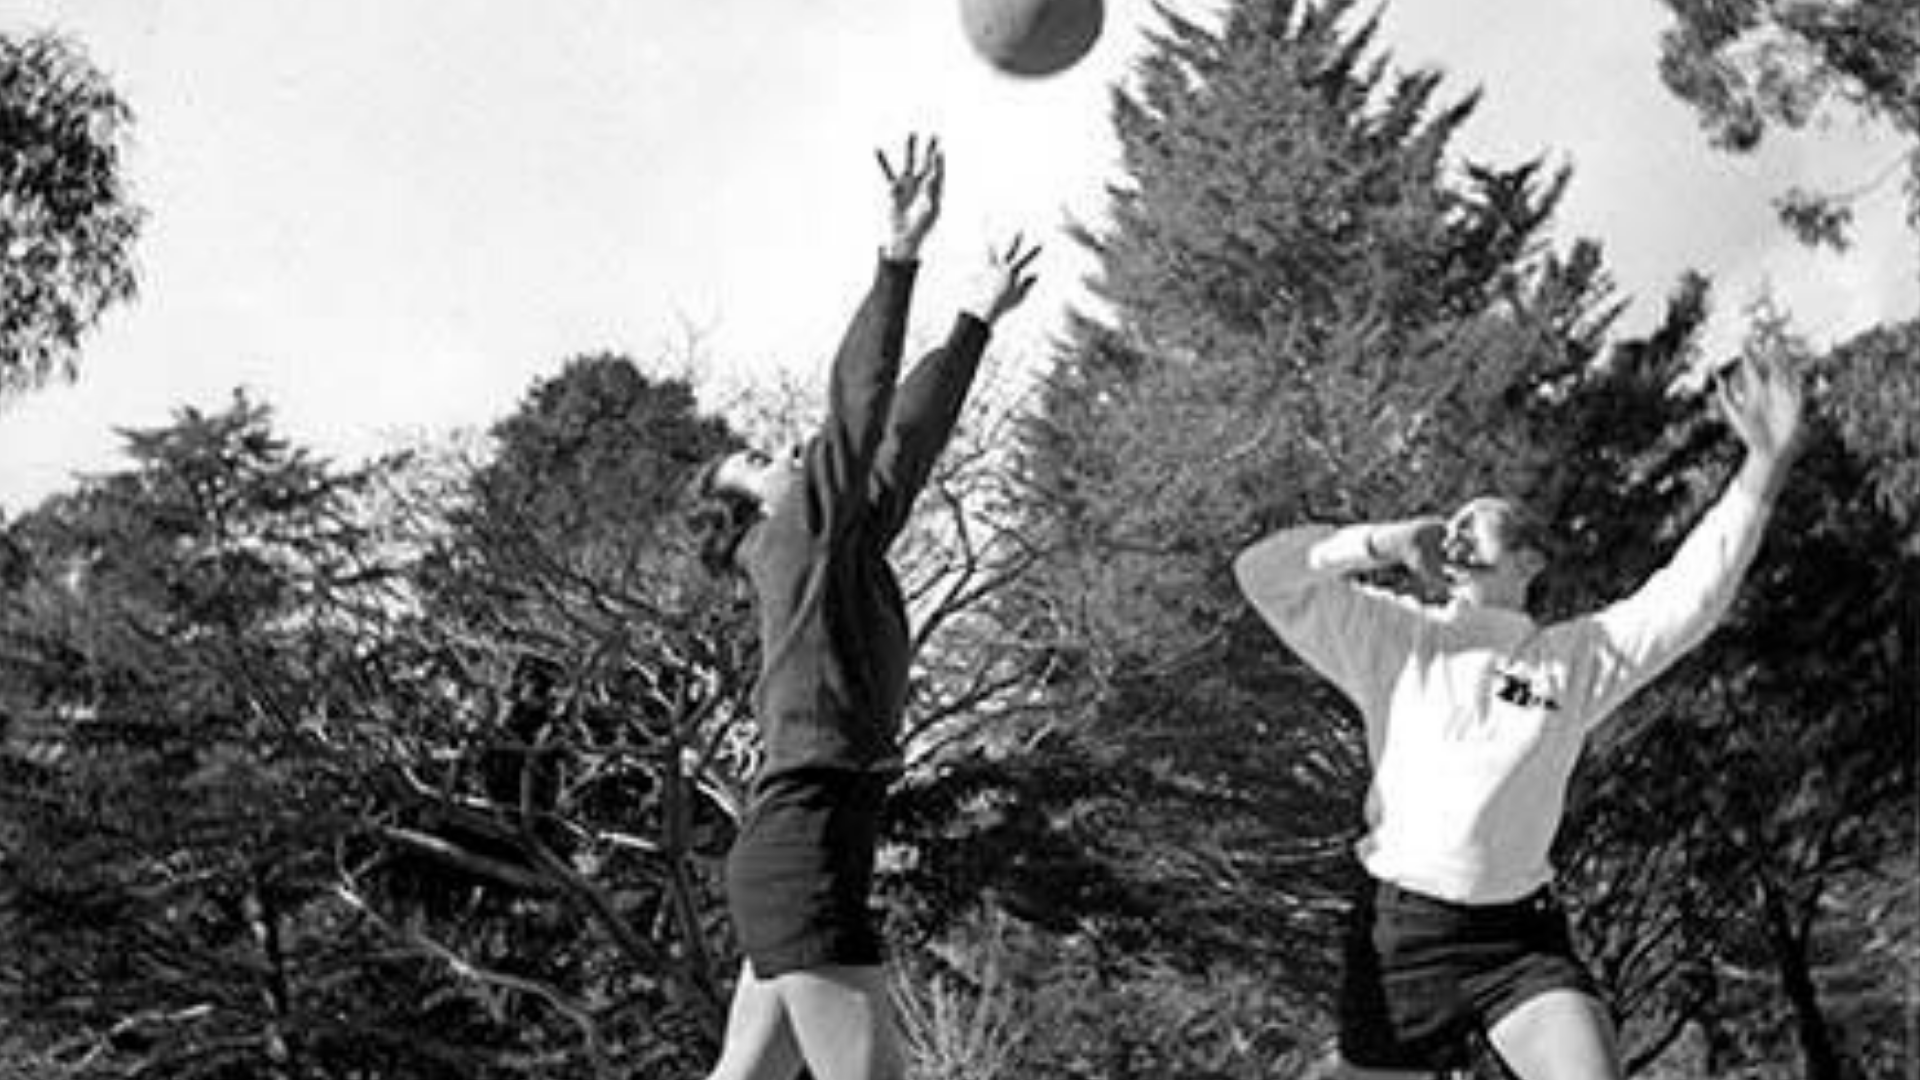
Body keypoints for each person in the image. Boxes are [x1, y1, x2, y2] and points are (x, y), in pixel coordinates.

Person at [1233, 349, 1804, 1080]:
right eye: (1452, 522)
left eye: (1482, 521)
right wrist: (1381, 541)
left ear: (1530, 561)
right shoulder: (1394, 636)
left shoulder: (1572, 659)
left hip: (1516, 939)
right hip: (1400, 937)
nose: (1459, 529)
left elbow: (1688, 597)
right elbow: (1262, 573)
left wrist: (1765, 465)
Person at [684, 133, 1039, 1080]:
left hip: (806, 841)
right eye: (754, 456)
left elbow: (902, 445)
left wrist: (974, 323)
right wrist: (898, 258)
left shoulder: (831, 543)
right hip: (804, 844)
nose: (777, 448)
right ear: (748, 503)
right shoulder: (793, 532)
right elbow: (860, 410)